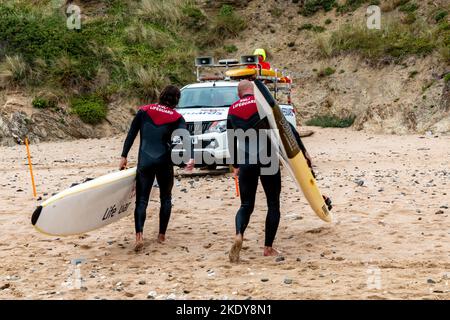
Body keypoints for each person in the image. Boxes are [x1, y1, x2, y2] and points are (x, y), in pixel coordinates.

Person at [226, 80, 312, 263]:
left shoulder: (232, 109)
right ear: (254, 90)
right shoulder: (263, 103)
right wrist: (302, 151)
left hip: (246, 161)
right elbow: (287, 129)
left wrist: (235, 165)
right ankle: (267, 248)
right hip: (268, 159)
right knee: (273, 204)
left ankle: (239, 234)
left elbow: (231, 138)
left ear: (239, 94)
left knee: (246, 205)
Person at [120, 85, 195, 252]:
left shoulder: (144, 111)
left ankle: (139, 235)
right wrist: (188, 158)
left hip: (145, 161)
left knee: (142, 200)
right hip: (164, 162)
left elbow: (131, 134)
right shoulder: (177, 117)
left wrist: (123, 156)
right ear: (176, 100)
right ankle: (161, 235)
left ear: (161, 96)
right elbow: (184, 138)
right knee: (166, 198)